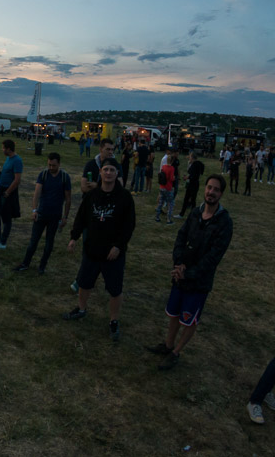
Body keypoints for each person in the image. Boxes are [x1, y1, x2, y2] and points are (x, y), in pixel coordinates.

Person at [150, 174, 232, 371]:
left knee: (189, 319)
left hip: (199, 281)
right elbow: (181, 237)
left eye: (216, 190)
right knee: (174, 312)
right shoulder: (196, 212)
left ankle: (176, 352)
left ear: (221, 194)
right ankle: (168, 345)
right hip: (181, 274)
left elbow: (213, 257)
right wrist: (178, 263)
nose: (211, 192)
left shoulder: (224, 222)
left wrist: (189, 273)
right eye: (209, 187)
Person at [61, 158, 136, 342]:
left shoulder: (124, 197)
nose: (108, 173)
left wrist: (118, 246)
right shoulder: (92, 195)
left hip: (112, 254)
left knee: (115, 289)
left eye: (112, 170)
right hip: (92, 249)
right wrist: (74, 237)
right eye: (105, 169)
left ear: (117, 173)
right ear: (100, 172)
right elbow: (81, 218)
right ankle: (81, 309)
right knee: (84, 283)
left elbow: (129, 225)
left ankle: (113, 320)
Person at [14, 152, 72, 274]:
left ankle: (42, 266)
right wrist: (34, 210)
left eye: (53, 165)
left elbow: (68, 199)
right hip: (41, 213)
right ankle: (25, 263)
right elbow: (36, 194)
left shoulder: (65, 177)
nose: (51, 167)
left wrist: (65, 217)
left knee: (49, 243)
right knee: (33, 241)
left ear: (59, 164)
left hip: (55, 215)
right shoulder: (43, 174)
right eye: (49, 165)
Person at [178, 152, 204, 218]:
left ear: (192, 158)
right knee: (192, 200)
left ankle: (183, 214)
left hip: (192, 184)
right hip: (195, 184)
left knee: (188, 199)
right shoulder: (199, 163)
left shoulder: (194, 165)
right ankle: (192, 215)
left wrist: (187, 177)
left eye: (190, 157)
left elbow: (191, 173)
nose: (189, 158)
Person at [155, 152, 176, 224]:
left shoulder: (163, 167)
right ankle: (168, 219)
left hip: (162, 187)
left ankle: (157, 217)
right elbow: (171, 178)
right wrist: (174, 178)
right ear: (172, 161)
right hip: (168, 187)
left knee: (160, 202)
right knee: (170, 203)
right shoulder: (172, 168)